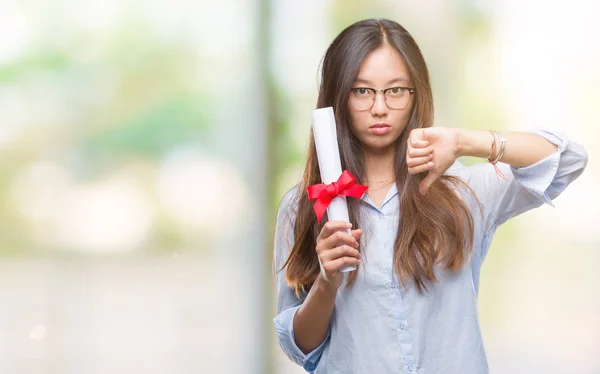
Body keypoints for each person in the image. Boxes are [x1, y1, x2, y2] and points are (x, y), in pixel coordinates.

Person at [272, 18, 588, 374]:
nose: (379, 108)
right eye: (362, 91)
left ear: (416, 94)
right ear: (337, 97)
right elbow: (301, 348)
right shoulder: (305, 206)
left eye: (395, 90)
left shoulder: (462, 193)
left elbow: (568, 161)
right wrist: (328, 282)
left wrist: (465, 141)